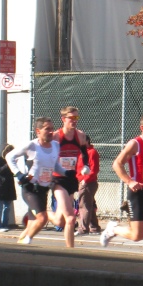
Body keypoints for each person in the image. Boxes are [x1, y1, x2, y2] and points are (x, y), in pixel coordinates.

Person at [100, 113, 143, 255]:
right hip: (137, 193)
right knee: (137, 235)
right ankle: (113, 229)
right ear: (142, 128)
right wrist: (129, 181)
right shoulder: (135, 144)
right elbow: (117, 164)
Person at [7, 117, 69, 245]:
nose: (51, 132)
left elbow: (54, 165)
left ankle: (19, 245)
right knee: (42, 218)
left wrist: (67, 173)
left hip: (43, 189)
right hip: (30, 189)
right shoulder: (32, 146)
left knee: (32, 224)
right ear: (38, 131)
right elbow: (9, 156)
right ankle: (27, 241)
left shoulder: (56, 145)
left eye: (52, 129)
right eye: (47, 129)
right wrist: (18, 174)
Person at [51, 106, 91, 247]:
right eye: (71, 118)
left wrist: (86, 165)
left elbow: (84, 153)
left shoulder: (80, 135)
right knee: (70, 218)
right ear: (63, 119)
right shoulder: (56, 136)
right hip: (58, 179)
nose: (74, 121)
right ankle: (71, 250)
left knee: (59, 221)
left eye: (76, 118)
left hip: (71, 178)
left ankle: (45, 215)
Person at [76, 135, 101, 235]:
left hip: (88, 183)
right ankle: (94, 227)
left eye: (81, 140)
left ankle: (83, 229)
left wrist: (85, 180)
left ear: (87, 141)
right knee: (89, 204)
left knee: (84, 205)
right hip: (82, 181)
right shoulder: (80, 152)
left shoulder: (92, 152)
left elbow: (94, 169)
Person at [0, 144, 17, 232]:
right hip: (0, 186)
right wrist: (8, 164)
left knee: (7, 207)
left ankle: (5, 224)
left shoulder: (12, 161)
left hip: (9, 186)